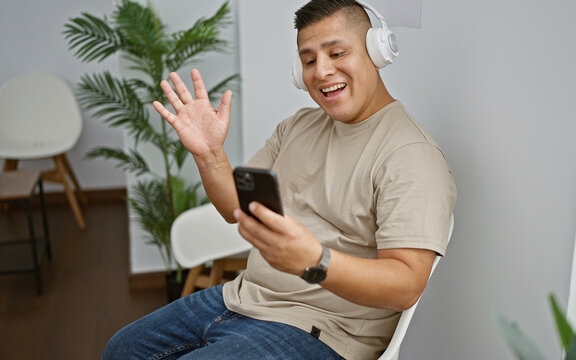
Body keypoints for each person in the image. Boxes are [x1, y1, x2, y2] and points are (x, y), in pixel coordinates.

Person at [102, 0, 456, 359]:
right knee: (121, 351)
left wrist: (316, 261)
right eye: (309, 60)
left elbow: (406, 285)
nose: (322, 71)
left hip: (323, 331)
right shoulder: (297, 126)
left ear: (377, 51)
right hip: (244, 297)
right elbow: (235, 210)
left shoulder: (410, 154)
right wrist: (209, 154)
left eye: (337, 53)